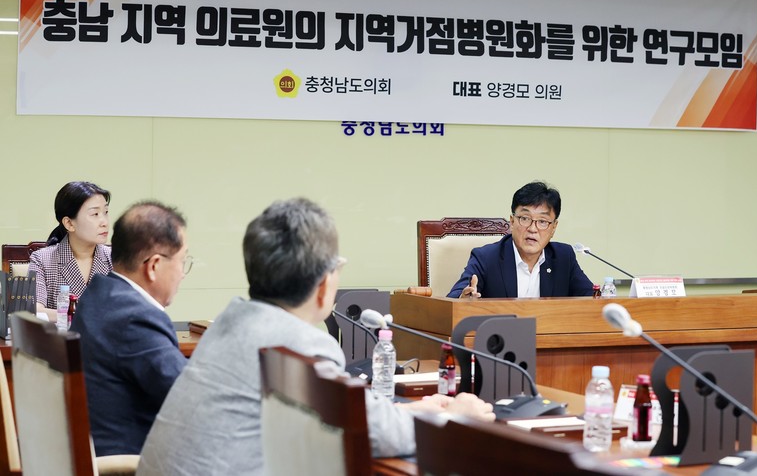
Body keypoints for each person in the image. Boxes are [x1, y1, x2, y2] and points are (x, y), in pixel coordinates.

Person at [138, 198, 494, 475]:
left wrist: (411, 409)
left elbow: (358, 419)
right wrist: (456, 415)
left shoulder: (232, 322)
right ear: (324, 284)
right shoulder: (300, 344)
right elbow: (380, 435)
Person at [69, 201, 192, 456]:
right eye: (182, 261)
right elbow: (191, 399)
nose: (182, 273)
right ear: (154, 266)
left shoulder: (97, 294)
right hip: (131, 461)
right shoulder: (136, 319)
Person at [448, 181, 593, 298]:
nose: (533, 229)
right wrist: (463, 299)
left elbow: (591, 299)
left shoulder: (564, 257)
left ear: (553, 228)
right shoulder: (486, 258)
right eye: (525, 218)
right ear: (512, 222)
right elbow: (454, 297)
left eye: (542, 221)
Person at [28, 181, 112, 321]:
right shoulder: (42, 260)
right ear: (69, 223)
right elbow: (35, 311)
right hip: (60, 335)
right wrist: (85, 314)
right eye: (95, 214)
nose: (105, 222)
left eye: (106, 212)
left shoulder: (115, 258)